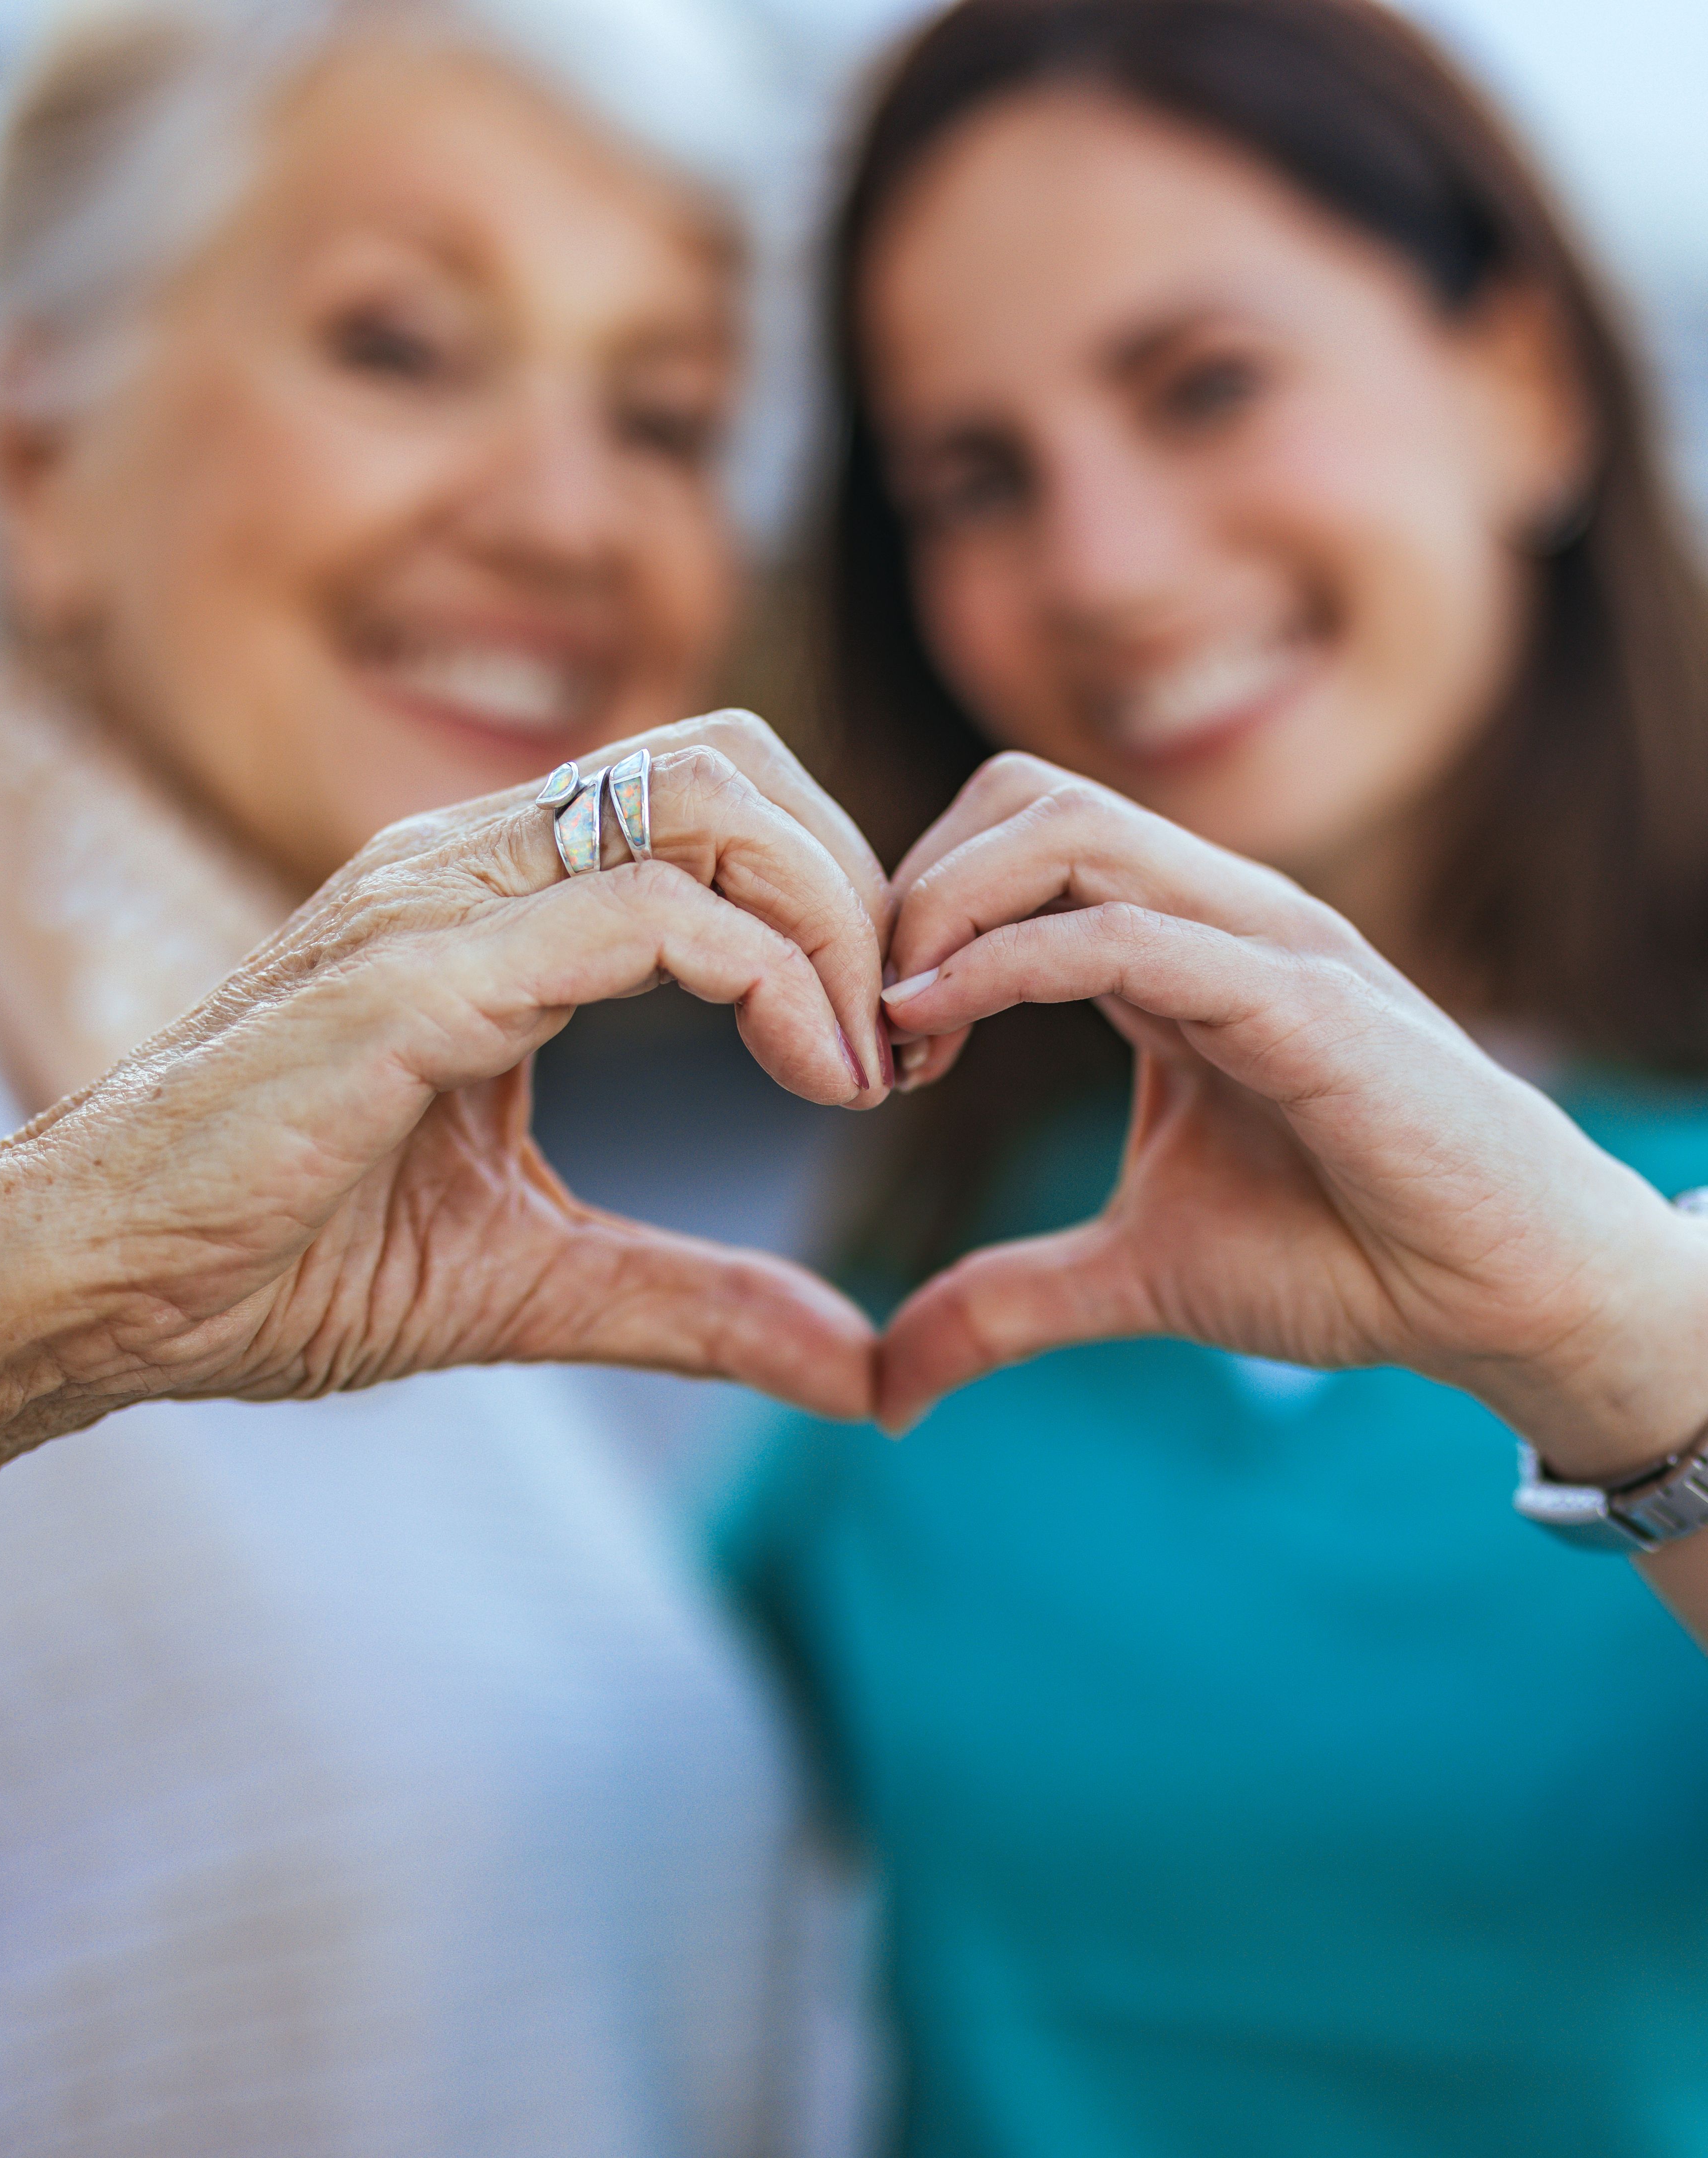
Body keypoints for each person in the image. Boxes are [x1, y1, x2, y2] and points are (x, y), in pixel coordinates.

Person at [719, 1, 1708, 2151]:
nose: (1103, 565)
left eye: (1207, 387)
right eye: (975, 479)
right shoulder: (927, 1201)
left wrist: (1631, 1354)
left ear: (1522, 382)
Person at [0, 4, 889, 2152]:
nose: (569, 518)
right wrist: (71, 1268)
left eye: (667, 419)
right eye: (399, 348)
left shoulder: (440, 1201)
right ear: (37, 468)